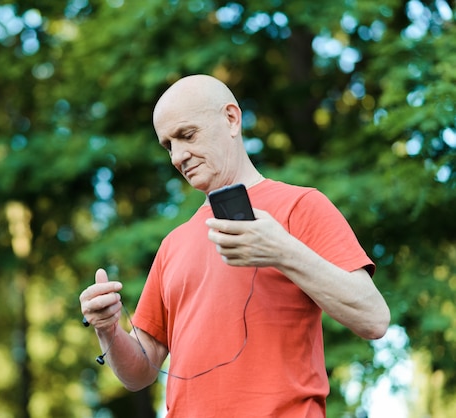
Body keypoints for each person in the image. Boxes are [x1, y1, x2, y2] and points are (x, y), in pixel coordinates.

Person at [79, 74, 390, 417]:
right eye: (168, 145)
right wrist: (108, 330)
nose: (178, 157)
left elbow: (373, 319)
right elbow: (139, 372)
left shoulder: (301, 205)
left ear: (231, 118)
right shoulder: (172, 244)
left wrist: (282, 252)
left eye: (187, 135)